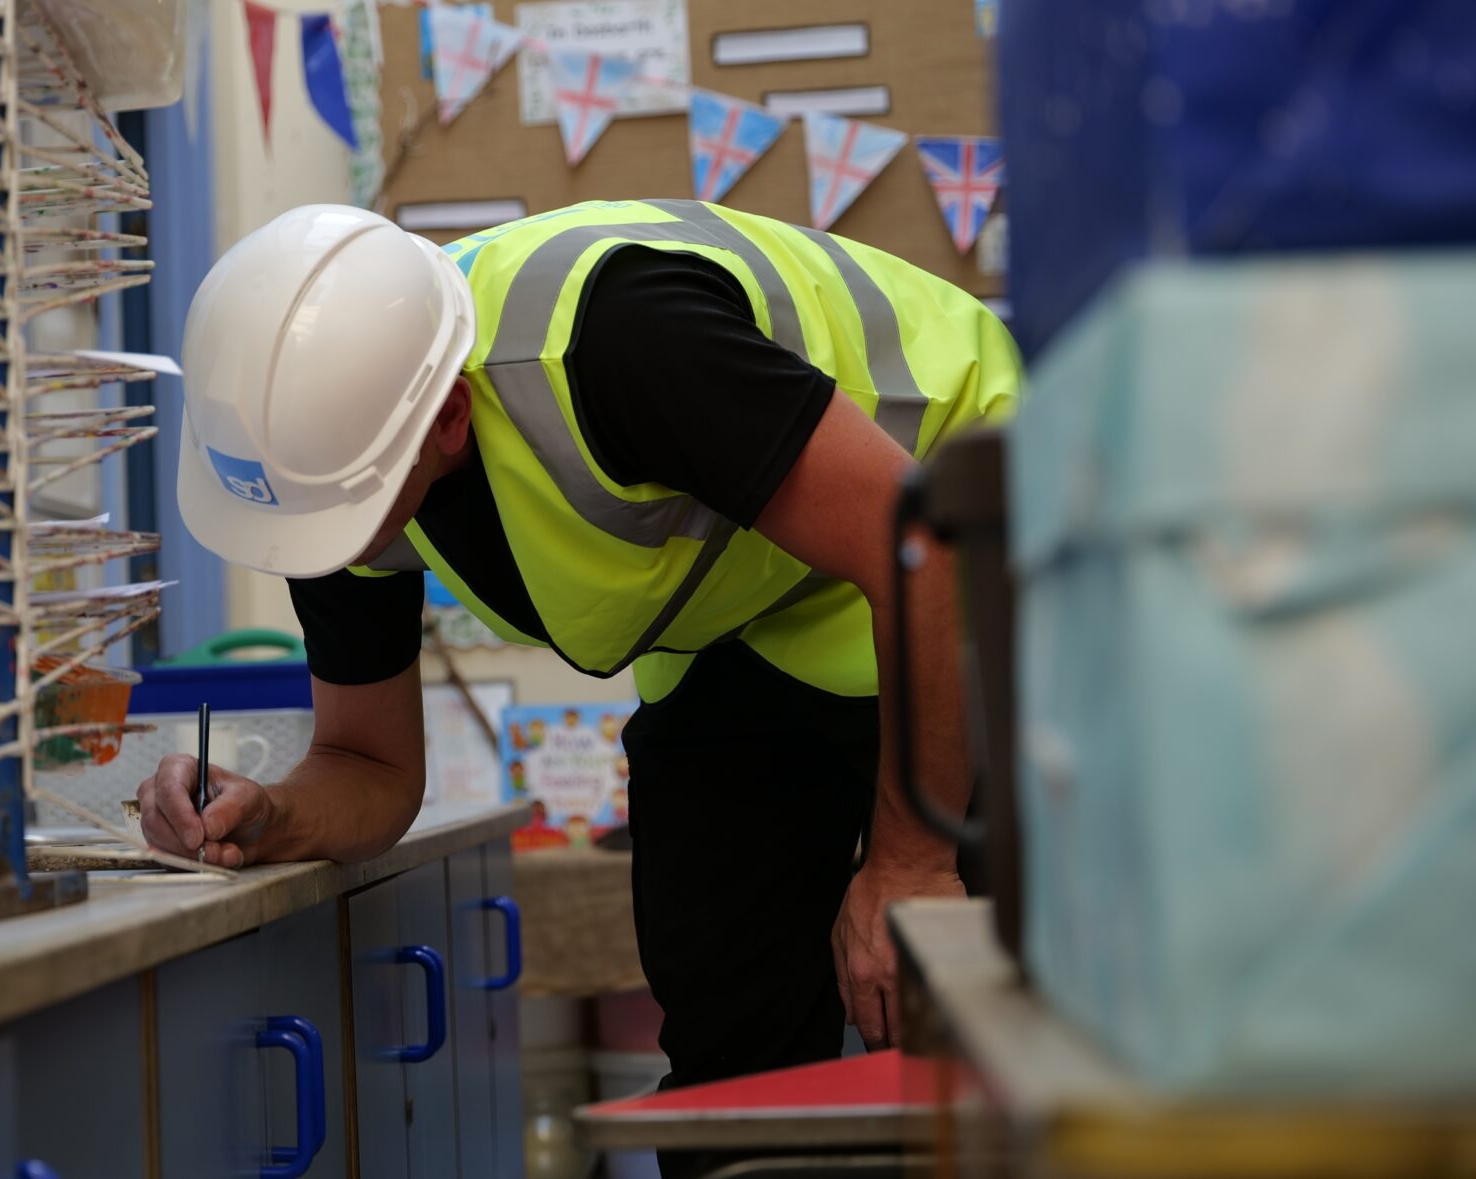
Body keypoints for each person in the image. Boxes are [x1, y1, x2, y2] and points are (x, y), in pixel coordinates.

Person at [139, 199, 1019, 1172]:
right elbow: (369, 764)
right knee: (732, 1071)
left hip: (966, 534)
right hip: (754, 623)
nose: (327, 548)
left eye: (344, 511)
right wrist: (270, 816)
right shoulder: (323, 468)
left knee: (996, 1030)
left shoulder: (618, 341)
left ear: (446, 420)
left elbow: (917, 549)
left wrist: (907, 866)